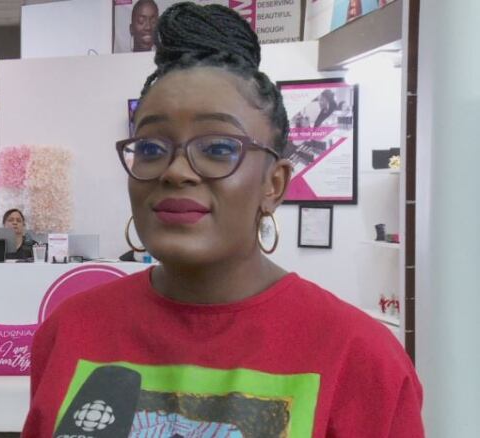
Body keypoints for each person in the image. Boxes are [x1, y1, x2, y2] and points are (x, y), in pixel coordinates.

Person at [23, 3, 423, 437]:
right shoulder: (70, 330)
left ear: (273, 184)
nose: (176, 171)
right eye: (152, 148)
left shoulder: (360, 357)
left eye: (217, 148)